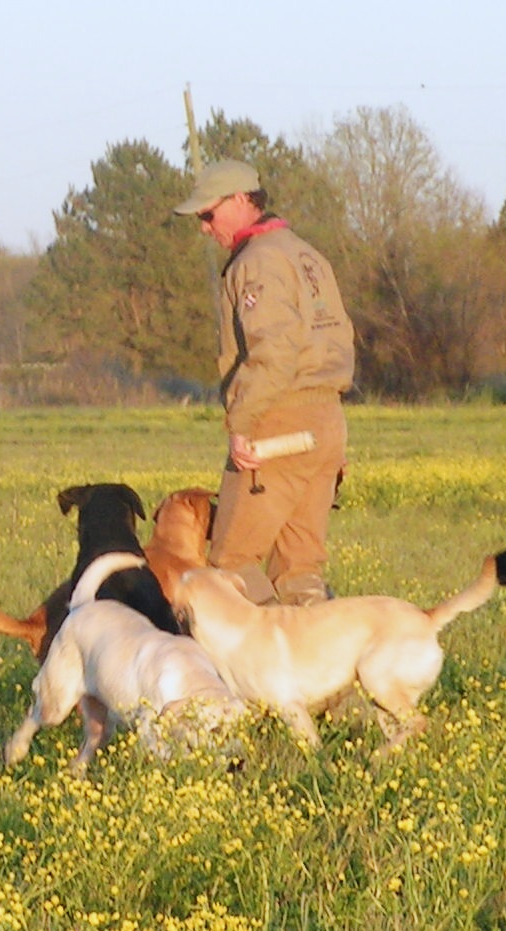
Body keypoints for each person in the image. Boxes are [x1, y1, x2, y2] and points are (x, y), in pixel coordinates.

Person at [176, 159, 354, 606]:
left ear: (240, 200)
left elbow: (275, 353)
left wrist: (242, 423)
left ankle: (268, 646)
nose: (204, 227)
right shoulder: (306, 254)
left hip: (278, 424)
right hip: (327, 422)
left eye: (208, 214)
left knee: (231, 565)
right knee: (300, 569)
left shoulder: (256, 262)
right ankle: (321, 649)